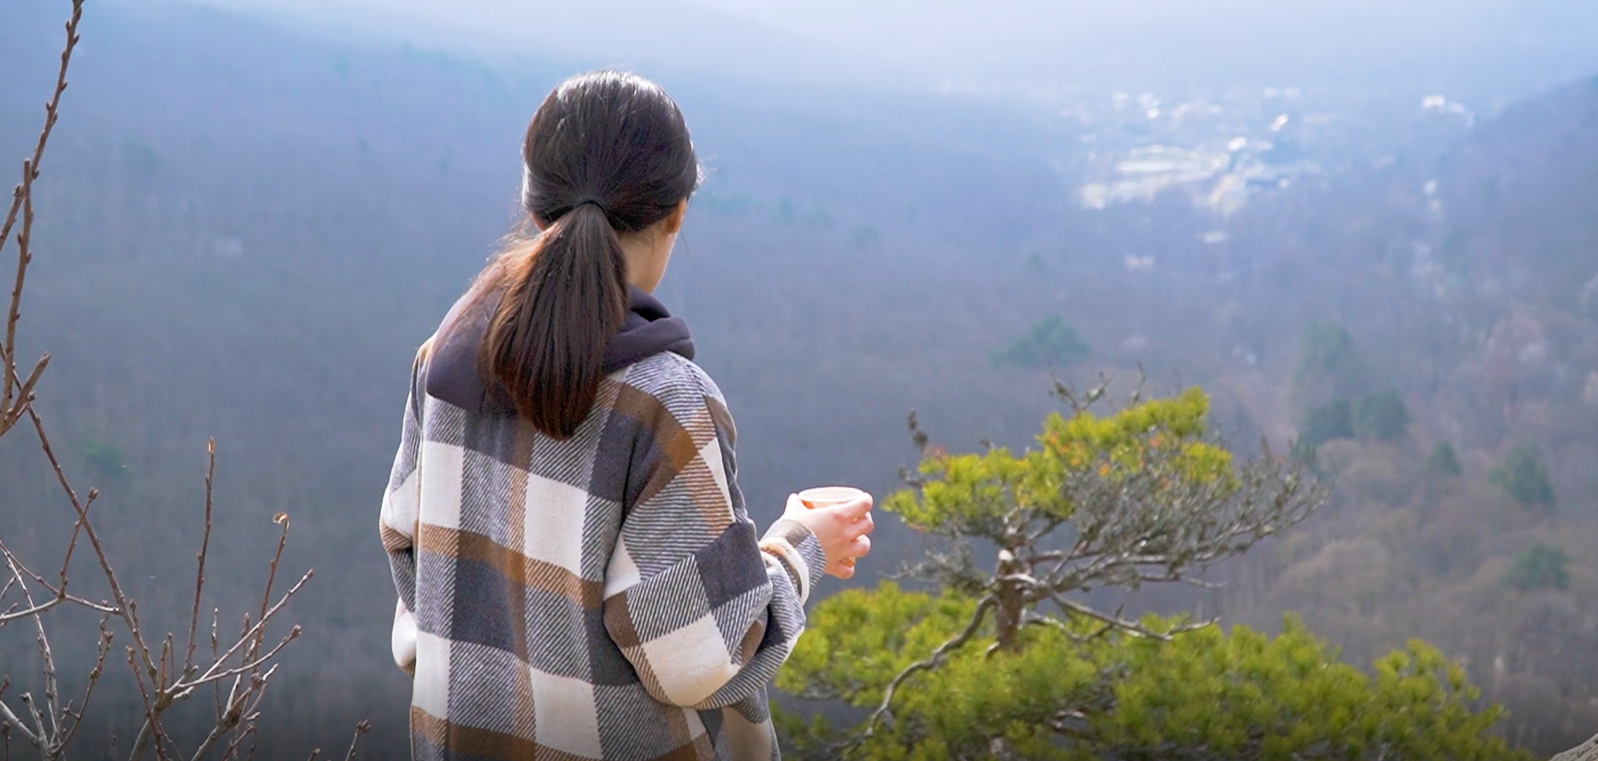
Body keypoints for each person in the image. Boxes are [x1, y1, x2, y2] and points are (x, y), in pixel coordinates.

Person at [378, 70, 874, 761]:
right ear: (675, 214)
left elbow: (414, 558)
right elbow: (699, 657)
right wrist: (802, 545)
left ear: (534, 204)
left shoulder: (445, 362)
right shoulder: (665, 401)